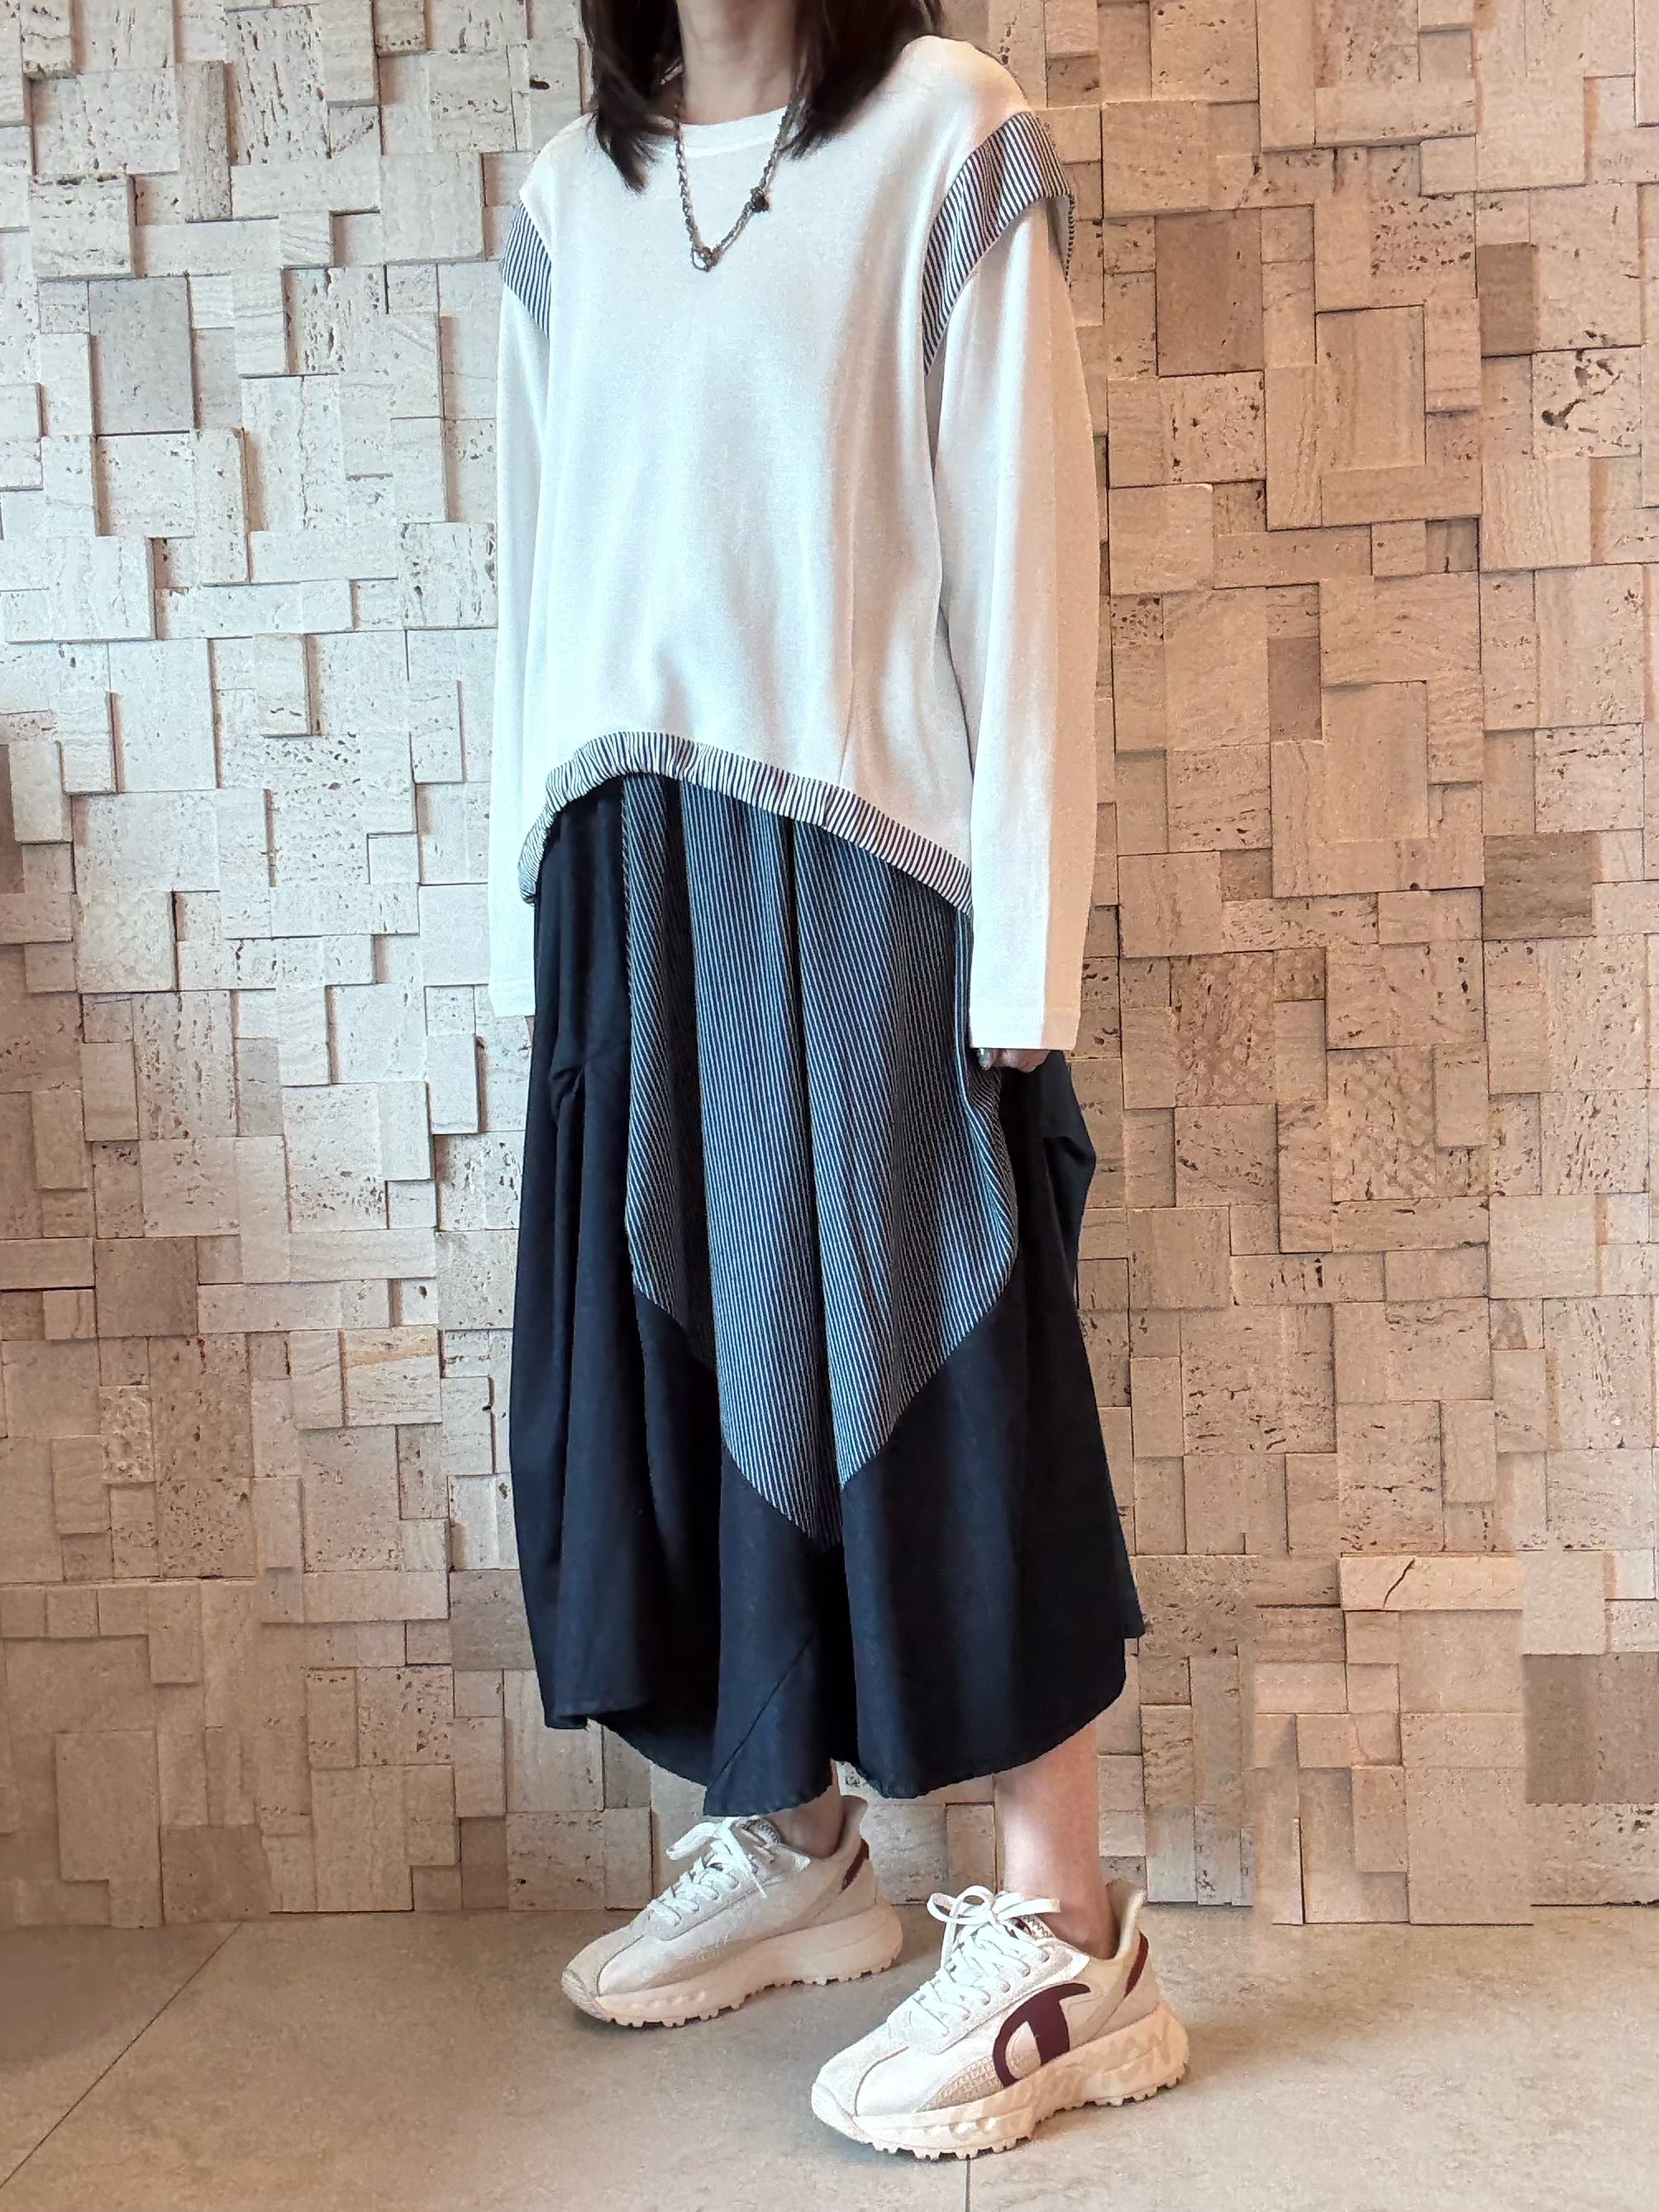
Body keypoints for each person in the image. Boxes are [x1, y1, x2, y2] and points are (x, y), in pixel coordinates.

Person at [486, 0, 1187, 2160]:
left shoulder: (949, 138)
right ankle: (795, 1842)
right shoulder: (565, 205)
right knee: (681, 1364)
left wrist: (1027, 936)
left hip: (872, 853)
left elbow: (1030, 548)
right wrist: (522, 917)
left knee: (948, 1351)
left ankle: (1070, 1931)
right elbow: (534, 589)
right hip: (630, 863)